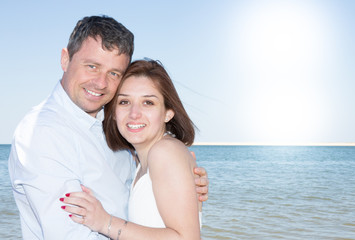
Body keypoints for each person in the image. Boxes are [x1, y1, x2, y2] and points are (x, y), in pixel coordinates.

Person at [8, 15, 208, 239]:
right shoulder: (43, 134)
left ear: (168, 112)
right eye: (92, 66)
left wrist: (181, 186)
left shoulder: (119, 132)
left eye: (114, 73)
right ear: (65, 59)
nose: (101, 83)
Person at [61, 59, 202, 239]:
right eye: (124, 102)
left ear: (168, 113)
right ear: (113, 113)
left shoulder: (165, 152)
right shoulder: (143, 159)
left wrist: (105, 222)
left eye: (148, 103)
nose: (134, 113)